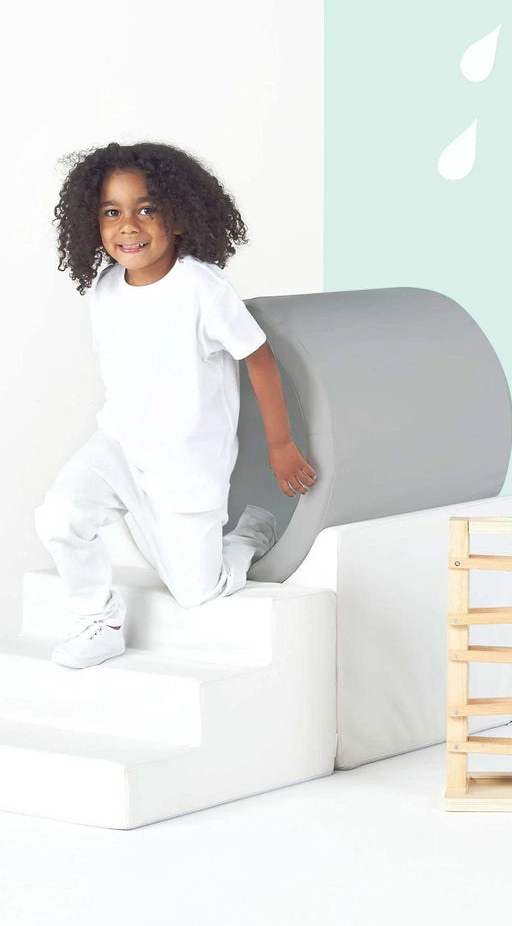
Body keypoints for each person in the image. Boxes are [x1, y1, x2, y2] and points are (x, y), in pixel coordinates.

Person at [35, 142, 316, 668]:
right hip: (120, 447)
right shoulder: (105, 289)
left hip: (186, 466)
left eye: (146, 209)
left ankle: (248, 533)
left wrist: (280, 444)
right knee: (59, 516)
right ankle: (98, 620)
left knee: (195, 591)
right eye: (111, 212)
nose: (128, 226)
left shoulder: (202, 289)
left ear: (180, 216)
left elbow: (259, 359)